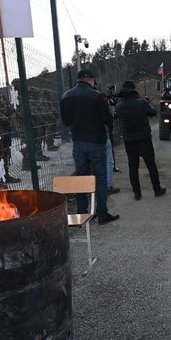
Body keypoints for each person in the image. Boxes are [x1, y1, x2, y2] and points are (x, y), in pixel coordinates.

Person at [60, 69, 119, 224]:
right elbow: (108, 119)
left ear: (78, 80)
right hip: (96, 141)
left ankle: (82, 213)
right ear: (91, 80)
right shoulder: (97, 96)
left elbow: (66, 121)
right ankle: (102, 214)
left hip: (78, 142)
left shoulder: (66, 96)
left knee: (81, 177)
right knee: (100, 178)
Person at [115, 80, 167, 200]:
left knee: (133, 168)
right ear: (134, 90)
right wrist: (148, 103)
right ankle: (157, 189)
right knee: (151, 166)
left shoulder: (119, 106)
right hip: (144, 140)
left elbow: (116, 116)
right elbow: (153, 113)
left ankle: (137, 193)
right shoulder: (142, 103)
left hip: (129, 141)